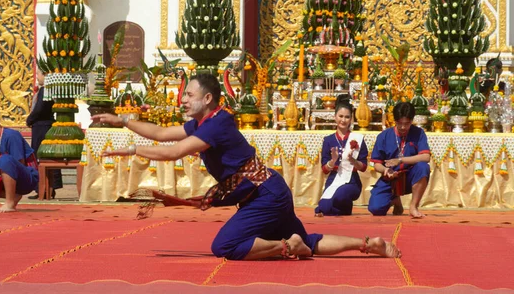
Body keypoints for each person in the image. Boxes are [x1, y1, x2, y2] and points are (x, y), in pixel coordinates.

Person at [93, 74, 400, 260]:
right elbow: (161, 134)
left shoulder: (215, 126)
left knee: (225, 245)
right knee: (310, 242)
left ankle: (286, 247)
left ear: (208, 98)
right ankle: (368, 245)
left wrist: (132, 149)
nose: (183, 99)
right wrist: (123, 121)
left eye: (189, 94)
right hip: (270, 191)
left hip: (264, 195)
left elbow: (173, 153)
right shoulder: (207, 123)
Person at [368, 102, 431, 219]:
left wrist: (401, 160)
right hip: (390, 178)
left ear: (412, 120)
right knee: (375, 209)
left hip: (409, 176)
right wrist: (385, 170)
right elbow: (376, 164)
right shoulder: (384, 136)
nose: (403, 127)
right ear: (394, 121)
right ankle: (395, 199)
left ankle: (413, 207)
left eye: (407, 124)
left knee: (423, 167)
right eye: (399, 123)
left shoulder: (418, 133)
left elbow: (426, 157)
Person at [315, 101, 368, 216]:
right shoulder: (328, 140)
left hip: (351, 180)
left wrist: (353, 161)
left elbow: (363, 167)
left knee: (339, 196)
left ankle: (342, 204)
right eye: (340, 116)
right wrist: (332, 161)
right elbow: (324, 169)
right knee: (324, 206)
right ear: (335, 117)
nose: (343, 120)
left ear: (351, 119)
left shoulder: (358, 139)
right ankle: (343, 209)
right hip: (334, 179)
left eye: (347, 117)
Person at [26, 70, 62, 199]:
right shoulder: (49, 90)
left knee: (41, 157)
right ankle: (46, 188)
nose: (37, 78)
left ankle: (44, 188)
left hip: (42, 127)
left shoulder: (45, 90)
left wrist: (29, 119)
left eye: (38, 75)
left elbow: (39, 109)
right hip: (44, 126)